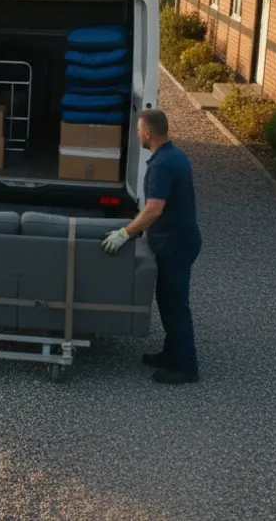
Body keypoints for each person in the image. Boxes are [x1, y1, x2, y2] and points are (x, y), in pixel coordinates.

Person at [101, 108, 202, 384]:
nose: (136, 134)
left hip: (176, 244)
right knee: (168, 302)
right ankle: (171, 353)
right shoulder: (174, 155)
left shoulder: (162, 165)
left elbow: (153, 209)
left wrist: (125, 233)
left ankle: (186, 366)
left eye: (138, 130)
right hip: (178, 240)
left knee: (176, 304)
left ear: (148, 133)